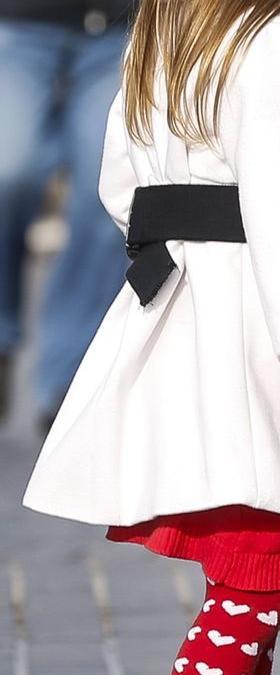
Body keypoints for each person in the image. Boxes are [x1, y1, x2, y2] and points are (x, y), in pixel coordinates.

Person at [21, 1, 280, 672]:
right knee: (257, 573)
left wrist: (181, 251)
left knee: (242, 572)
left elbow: (121, 184)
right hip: (261, 335)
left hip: (185, 312)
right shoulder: (276, 44)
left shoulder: (167, 38)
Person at [0, 0, 134, 433]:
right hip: (17, 24)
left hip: (117, 28)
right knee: (7, 172)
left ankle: (68, 379)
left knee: (108, 192)